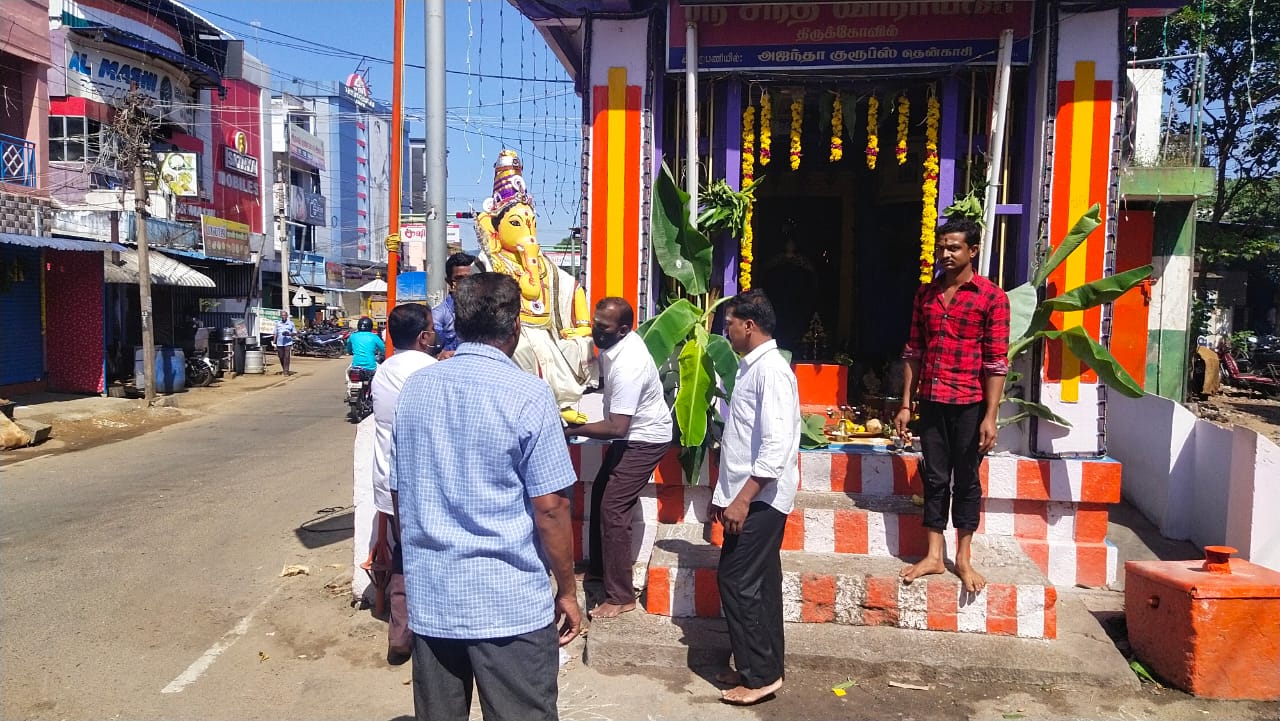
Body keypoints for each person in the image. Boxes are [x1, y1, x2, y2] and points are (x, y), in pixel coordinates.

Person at [390, 272, 582, 721]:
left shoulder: (416, 389)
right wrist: (568, 591)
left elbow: (401, 493)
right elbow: (550, 509)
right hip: (508, 602)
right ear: (515, 328)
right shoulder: (530, 395)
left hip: (435, 595)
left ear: (456, 322)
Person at [896, 218, 1010, 594]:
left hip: (970, 404)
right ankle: (933, 554)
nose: (945, 254)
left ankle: (962, 557)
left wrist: (990, 416)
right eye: (941, 247)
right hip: (931, 399)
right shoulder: (924, 295)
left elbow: (995, 362)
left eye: (953, 248)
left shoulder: (992, 298)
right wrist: (906, 404)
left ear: (972, 251)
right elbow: (913, 350)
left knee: (967, 480)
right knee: (934, 476)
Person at [709, 289, 800, 707]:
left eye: (729, 322)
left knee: (737, 579)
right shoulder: (751, 369)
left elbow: (775, 445)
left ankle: (759, 673)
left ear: (749, 325)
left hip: (761, 498)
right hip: (748, 494)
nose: (723, 329)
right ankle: (766, 668)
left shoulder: (772, 372)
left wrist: (742, 498)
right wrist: (723, 495)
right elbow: (743, 439)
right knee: (760, 582)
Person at [564, 298, 672, 619]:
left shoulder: (629, 364)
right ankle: (599, 570)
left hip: (644, 438)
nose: (595, 330)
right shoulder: (617, 347)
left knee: (614, 508)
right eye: (595, 323)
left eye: (603, 327)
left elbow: (616, 425)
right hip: (630, 434)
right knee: (600, 493)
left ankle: (621, 595)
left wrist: (572, 431)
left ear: (623, 330)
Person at [370, 303, 439, 666]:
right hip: (424, 479)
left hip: (388, 480)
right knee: (428, 554)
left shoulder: (381, 372)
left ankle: (400, 632)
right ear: (424, 336)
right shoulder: (431, 370)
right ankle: (429, 631)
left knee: (403, 553)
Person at [432, 252, 476, 360]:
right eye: (460, 279)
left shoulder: (486, 310)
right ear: (449, 281)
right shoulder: (438, 314)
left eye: (470, 279)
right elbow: (432, 350)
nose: (466, 284)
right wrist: (439, 355)